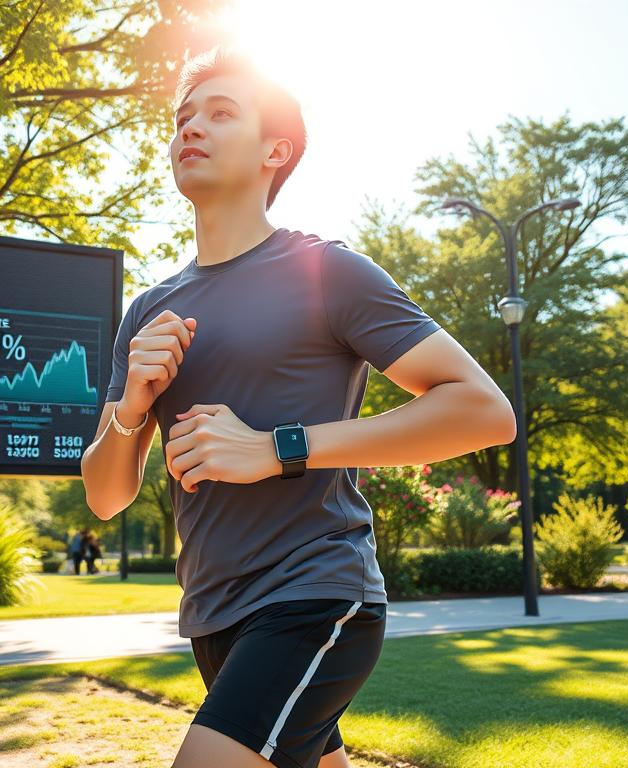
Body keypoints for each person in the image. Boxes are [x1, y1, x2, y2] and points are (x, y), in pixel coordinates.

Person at [79, 44, 516, 768]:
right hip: (214, 616)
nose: (191, 127)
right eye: (184, 116)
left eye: (221, 113)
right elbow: (104, 496)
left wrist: (277, 447)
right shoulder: (149, 312)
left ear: (274, 150)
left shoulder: (327, 271)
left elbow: (482, 409)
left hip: (315, 594)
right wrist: (132, 402)